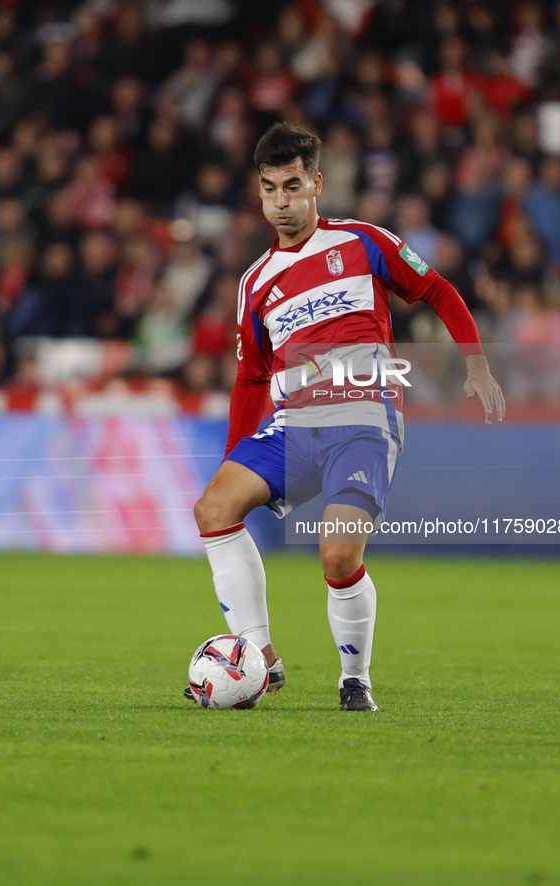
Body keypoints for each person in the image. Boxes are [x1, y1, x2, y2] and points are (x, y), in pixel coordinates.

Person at [190, 122, 505, 711]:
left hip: (364, 416)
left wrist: (477, 365)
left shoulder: (363, 242)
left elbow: (437, 290)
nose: (280, 202)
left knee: (337, 555)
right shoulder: (254, 282)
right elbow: (252, 376)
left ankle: (354, 678)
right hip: (294, 425)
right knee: (213, 506)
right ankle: (261, 658)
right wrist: (235, 454)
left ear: (316, 183)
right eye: (268, 189)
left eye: (292, 186)